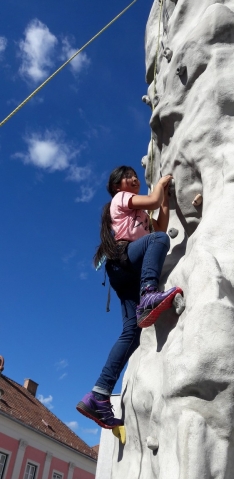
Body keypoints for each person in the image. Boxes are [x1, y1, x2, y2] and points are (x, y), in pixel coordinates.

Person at [76, 166, 182, 429]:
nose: (134, 178)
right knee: (158, 240)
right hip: (124, 260)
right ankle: (149, 293)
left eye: (135, 175)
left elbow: (161, 222)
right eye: (128, 176)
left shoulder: (141, 213)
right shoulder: (120, 199)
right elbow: (156, 214)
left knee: (131, 333)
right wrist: (162, 184)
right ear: (116, 185)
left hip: (123, 272)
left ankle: (99, 394)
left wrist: (166, 198)